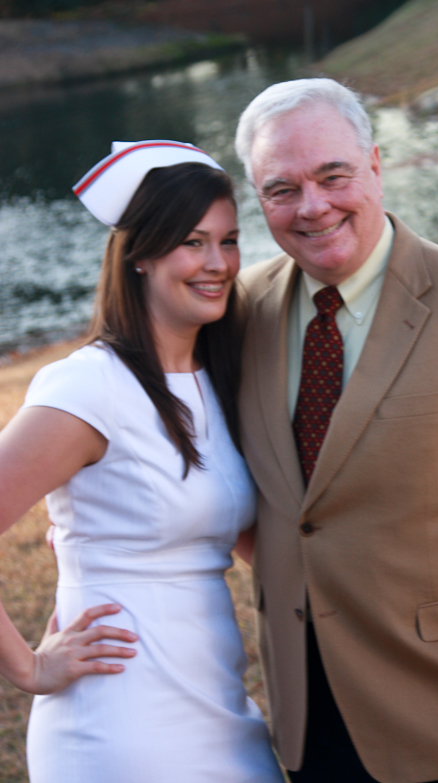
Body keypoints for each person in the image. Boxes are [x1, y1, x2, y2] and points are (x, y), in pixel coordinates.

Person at [233, 78, 438, 783]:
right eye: (282, 189)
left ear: (375, 164)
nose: (312, 206)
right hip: (309, 723)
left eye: (333, 176)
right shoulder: (242, 312)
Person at [0, 140, 284, 783]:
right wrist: (30, 669)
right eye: (192, 242)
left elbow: (247, 537)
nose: (218, 263)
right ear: (140, 255)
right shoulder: (89, 387)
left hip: (218, 708)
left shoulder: (218, 379)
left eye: (229, 240)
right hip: (120, 722)